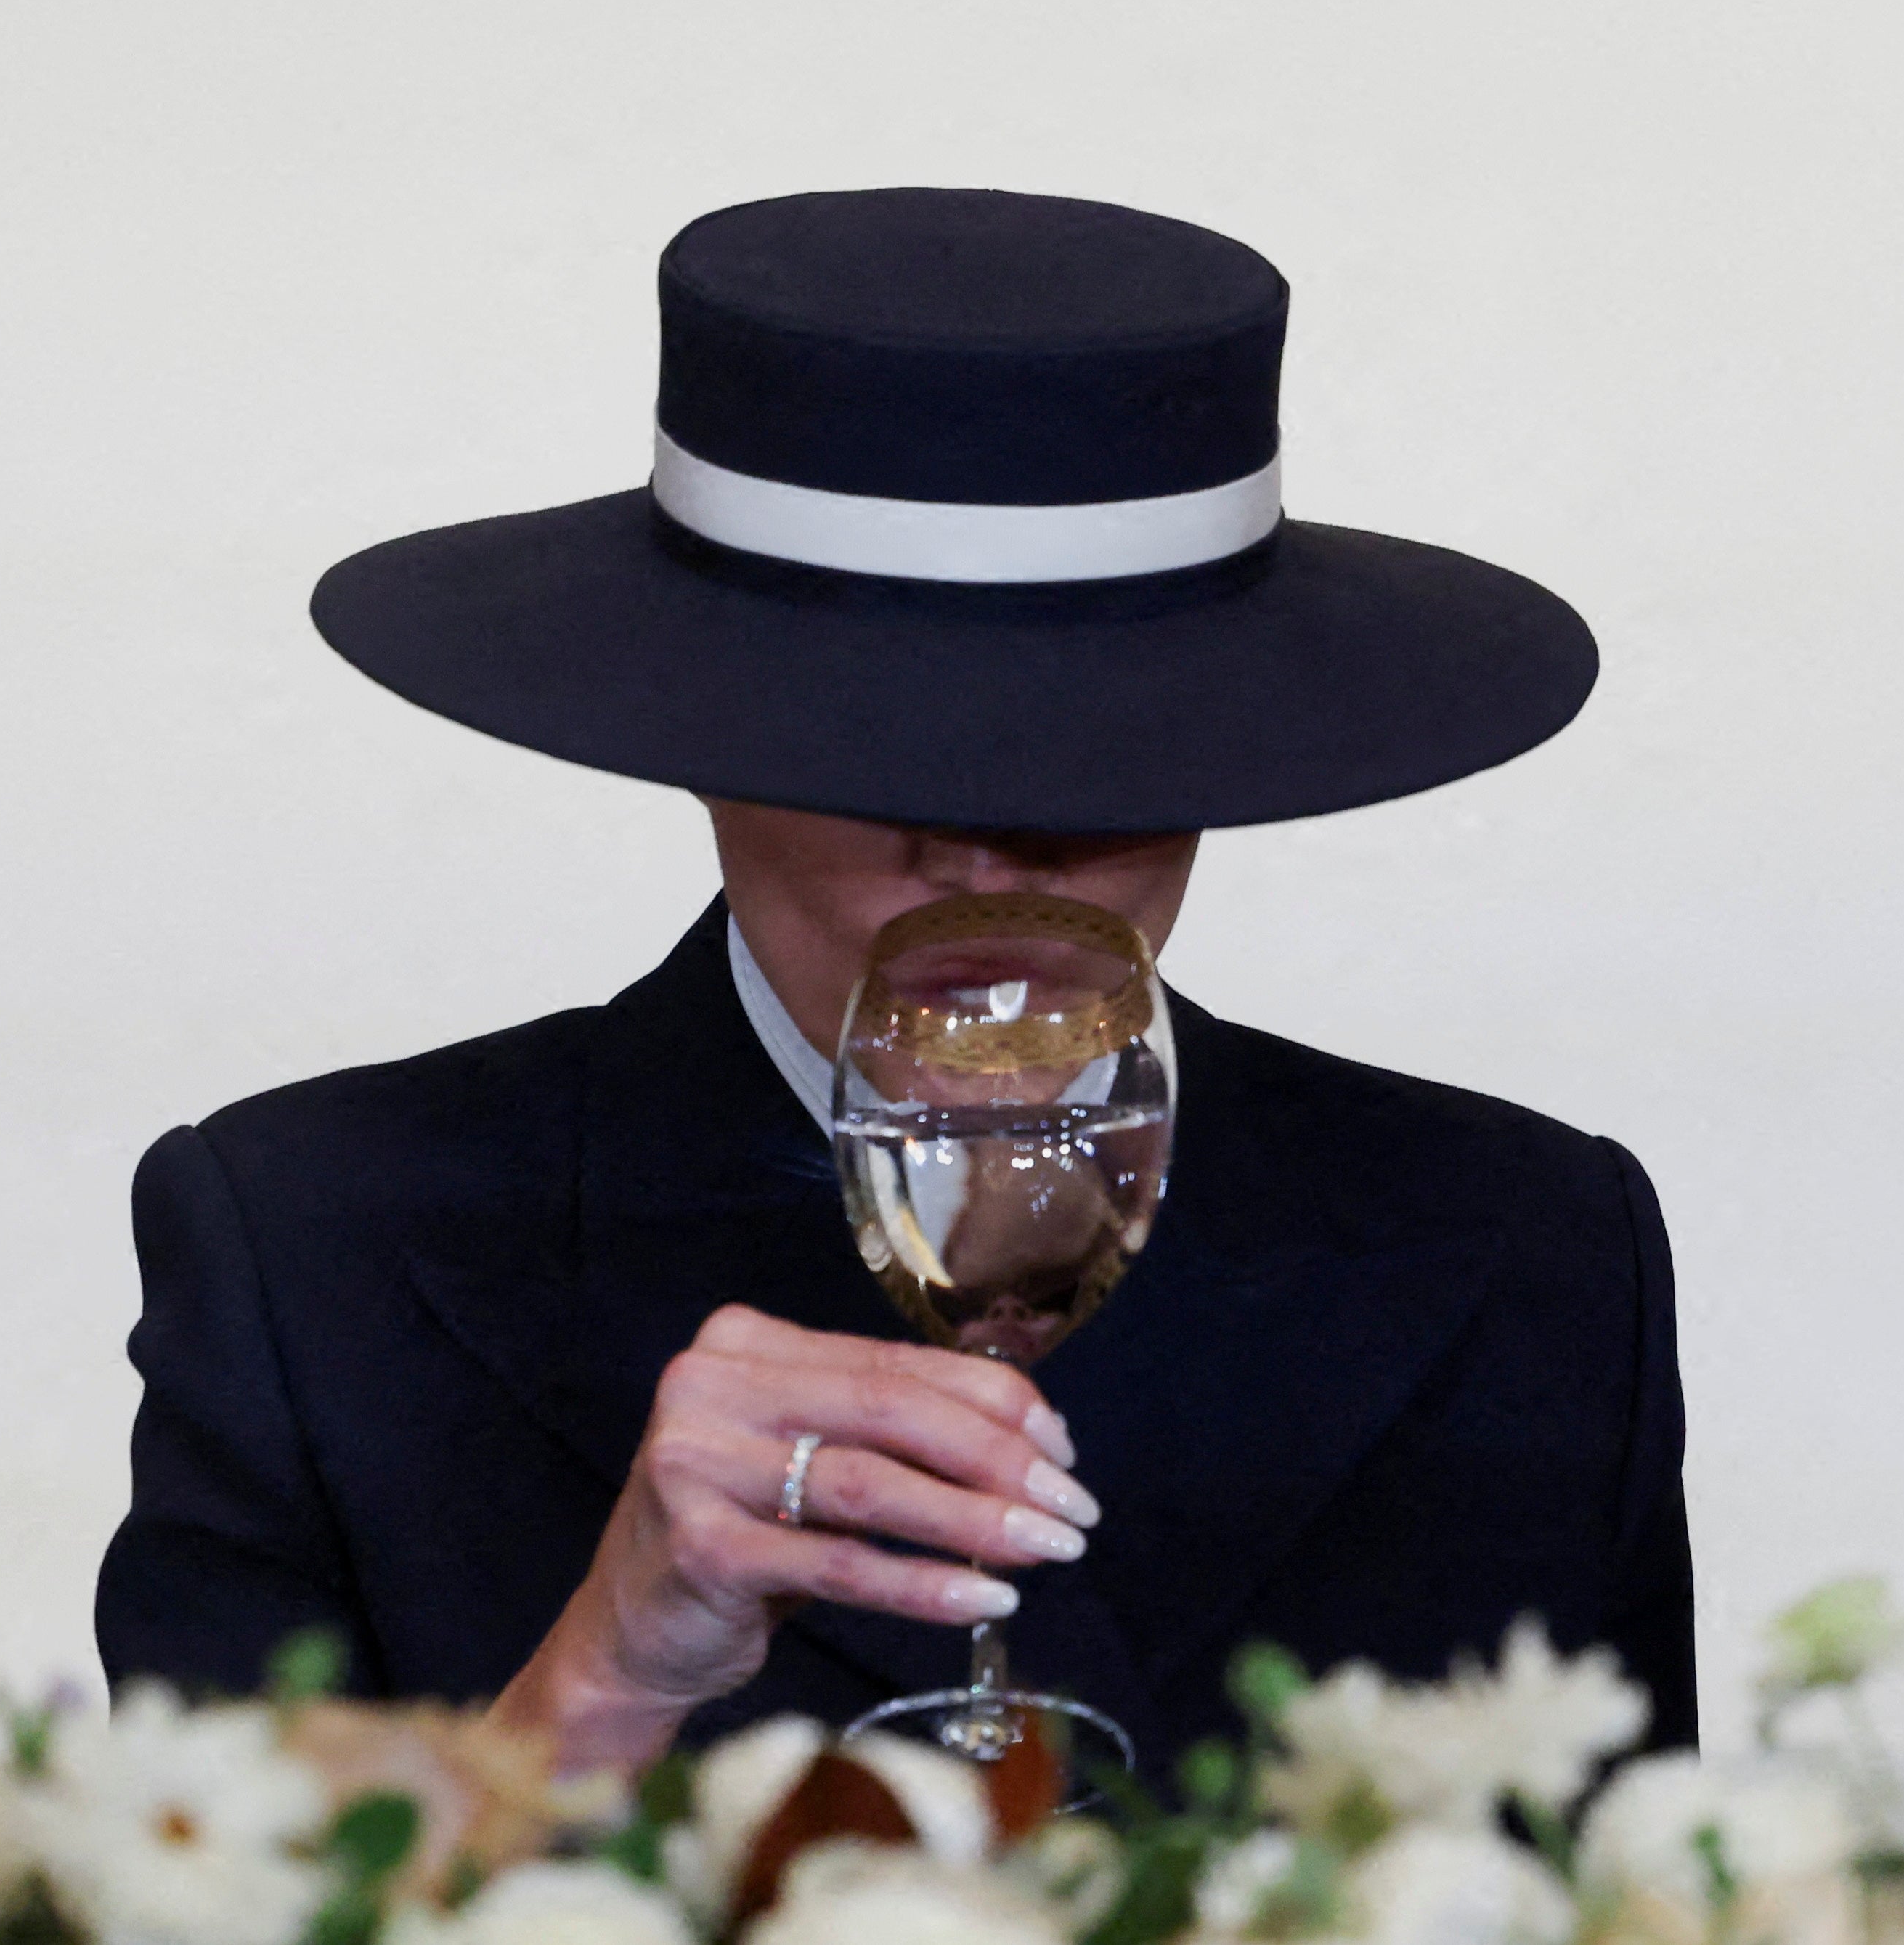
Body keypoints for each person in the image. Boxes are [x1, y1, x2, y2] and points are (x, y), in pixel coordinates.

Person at [98, 188, 1693, 1773]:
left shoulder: (1529, 1258)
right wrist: (604, 1683)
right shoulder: (322, 1250)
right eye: (872, 747)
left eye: (1107, 757)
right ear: (697, 742)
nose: (990, 854)